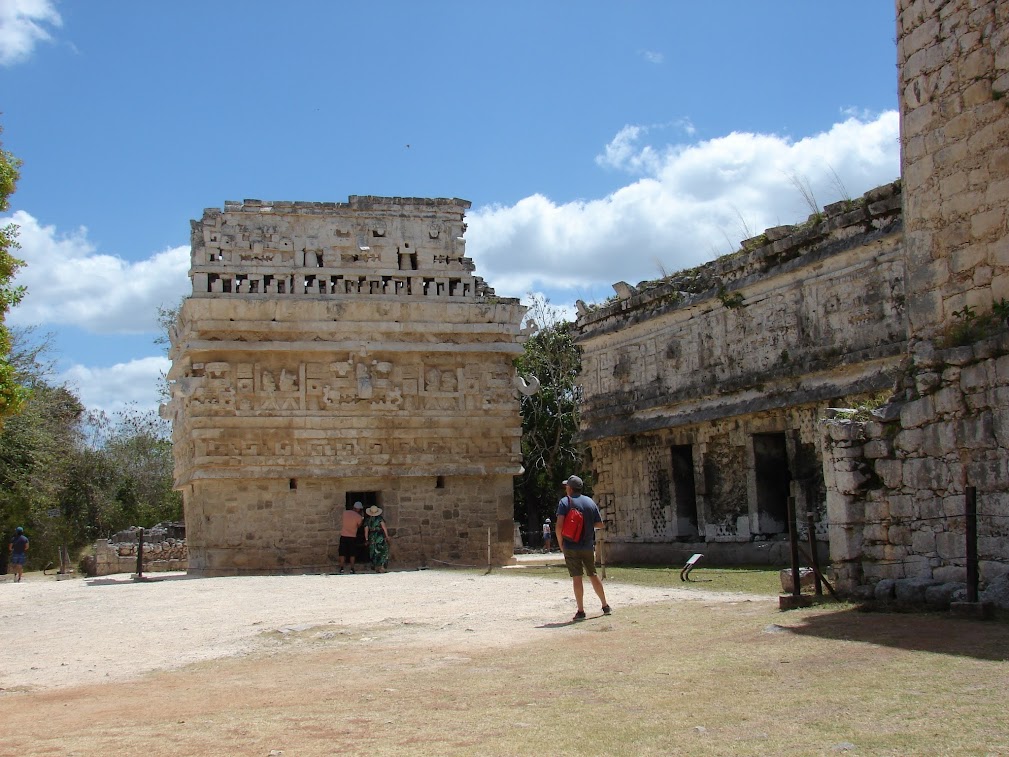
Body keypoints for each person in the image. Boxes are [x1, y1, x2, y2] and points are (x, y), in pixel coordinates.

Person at [556, 475, 610, 621]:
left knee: (577, 577)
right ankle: (605, 605)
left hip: (570, 545)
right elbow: (599, 524)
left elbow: (559, 525)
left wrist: (561, 543)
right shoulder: (590, 502)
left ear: (570, 488)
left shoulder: (565, 502)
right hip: (587, 545)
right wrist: (585, 525)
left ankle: (581, 610)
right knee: (593, 574)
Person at [338, 501, 365, 573]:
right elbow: (359, 526)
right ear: (359, 509)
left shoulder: (345, 513)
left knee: (342, 553)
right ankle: (352, 568)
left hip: (343, 535)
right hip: (352, 536)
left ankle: (341, 568)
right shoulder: (358, 517)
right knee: (352, 553)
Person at [364, 505, 391, 573]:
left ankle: (376, 567)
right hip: (379, 536)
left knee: (374, 551)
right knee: (383, 551)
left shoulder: (367, 520)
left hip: (372, 537)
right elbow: (384, 527)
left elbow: (366, 530)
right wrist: (387, 536)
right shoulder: (379, 519)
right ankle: (382, 567)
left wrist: (366, 539)